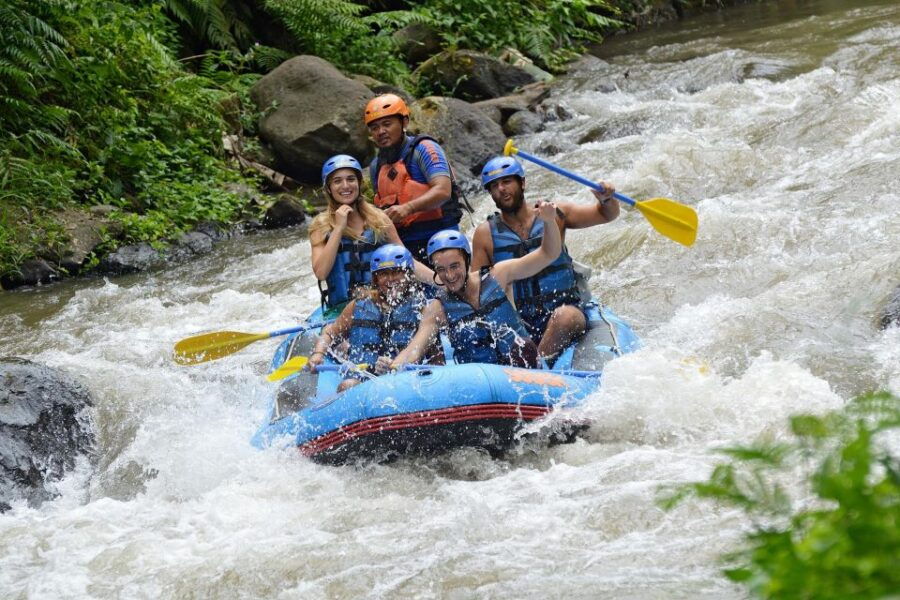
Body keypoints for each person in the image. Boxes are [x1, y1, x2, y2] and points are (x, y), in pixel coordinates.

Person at [470, 156, 618, 365]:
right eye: (494, 186)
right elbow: (477, 290)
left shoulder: (555, 213)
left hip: (566, 309)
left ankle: (535, 367)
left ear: (522, 183)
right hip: (521, 320)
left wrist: (606, 199)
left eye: (506, 182)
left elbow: (606, 215)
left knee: (564, 317)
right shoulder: (485, 234)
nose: (501, 189)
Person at [391, 201, 562, 370]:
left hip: (525, 372)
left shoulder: (499, 275)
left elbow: (548, 254)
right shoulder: (437, 308)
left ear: (467, 260)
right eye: (441, 269)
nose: (449, 276)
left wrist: (549, 221)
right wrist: (393, 367)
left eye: (454, 266)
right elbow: (414, 350)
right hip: (481, 384)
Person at [308, 244, 442, 392]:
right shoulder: (358, 305)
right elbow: (329, 333)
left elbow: (437, 361)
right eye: (384, 274)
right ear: (375, 278)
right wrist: (318, 353)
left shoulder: (421, 310)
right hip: (362, 378)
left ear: (408, 275)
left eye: (397, 272)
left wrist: (400, 367)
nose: (390, 279)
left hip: (405, 381)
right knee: (348, 385)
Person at [309, 154, 432, 311]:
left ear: (359, 183)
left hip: (380, 305)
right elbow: (321, 272)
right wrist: (338, 229)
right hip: (341, 310)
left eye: (351, 179)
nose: (345, 186)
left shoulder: (379, 220)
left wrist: (439, 281)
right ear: (328, 188)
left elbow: (407, 261)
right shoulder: (320, 226)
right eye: (337, 181)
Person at [364, 93, 468, 262]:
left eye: (387, 124)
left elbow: (443, 191)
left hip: (442, 238)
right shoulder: (376, 166)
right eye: (374, 128)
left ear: (404, 122)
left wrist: (407, 208)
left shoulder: (424, 149)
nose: (380, 131)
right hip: (404, 245)